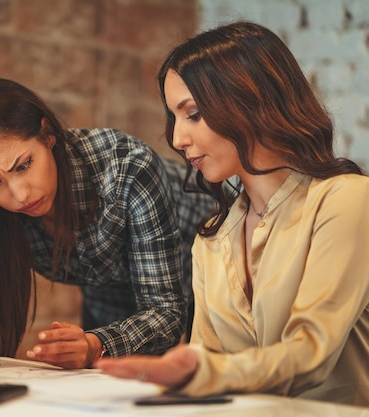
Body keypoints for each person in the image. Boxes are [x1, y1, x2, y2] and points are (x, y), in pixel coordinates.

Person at [94, 21, 369, 406]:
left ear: (250, 101)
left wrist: (200, 372)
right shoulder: (212, 236)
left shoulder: (347, 200)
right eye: (174, 117)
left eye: (192, 114)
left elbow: (311, 355)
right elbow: (207, 359)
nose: (176, 139)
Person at [0, 77, 215, 369]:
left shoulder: (125, 168)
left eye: (24, 165)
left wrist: (98, 344)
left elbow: (167, 312)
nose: (20, 195)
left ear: (48, 133)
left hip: (210, 271)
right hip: (110, 292)